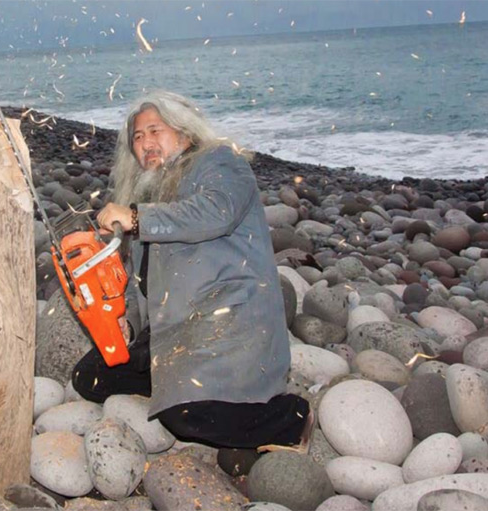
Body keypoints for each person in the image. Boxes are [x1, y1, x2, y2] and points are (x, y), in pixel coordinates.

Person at [71, 90, 312, 452]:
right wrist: (127, 325)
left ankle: (288, 419)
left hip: (229, 322)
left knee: (183, 415)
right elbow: (143, 287)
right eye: (138, 137)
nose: (146, 143)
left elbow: (216, 211)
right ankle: (174, 379)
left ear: (184, 132)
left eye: (156, 131)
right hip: (174, 331)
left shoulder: (220, 161)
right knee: (89, 377)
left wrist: (135, 217)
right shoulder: (149, 195)